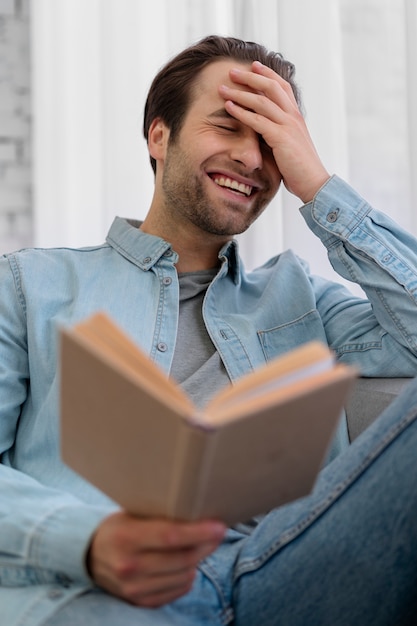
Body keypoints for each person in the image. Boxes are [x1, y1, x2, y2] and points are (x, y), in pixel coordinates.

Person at [1, 34, 417, 626]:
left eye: (270, 140)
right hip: (108, 590)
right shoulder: (27, 286)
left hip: (288, 574)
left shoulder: (305, 302)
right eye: (228, 127)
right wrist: (87, 540)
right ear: (159, 135)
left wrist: (319, 188)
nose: (252, 159)